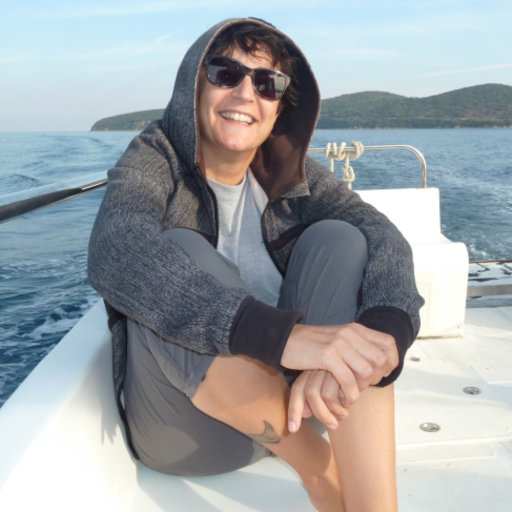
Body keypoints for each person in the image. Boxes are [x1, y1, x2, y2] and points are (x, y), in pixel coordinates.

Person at [88, 17, 424, 512]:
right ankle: (321, 473)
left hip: (296, 408)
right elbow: (116, 246)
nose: (246, 93)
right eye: (226, 73)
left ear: (278, 109)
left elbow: (383, 238)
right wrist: (279, 336)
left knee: (342, 238)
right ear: (195, 85)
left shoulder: (296, 175)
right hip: (192, 432)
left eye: (267, 84)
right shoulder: (154, 157)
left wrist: (388, 328)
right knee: (177, 247)